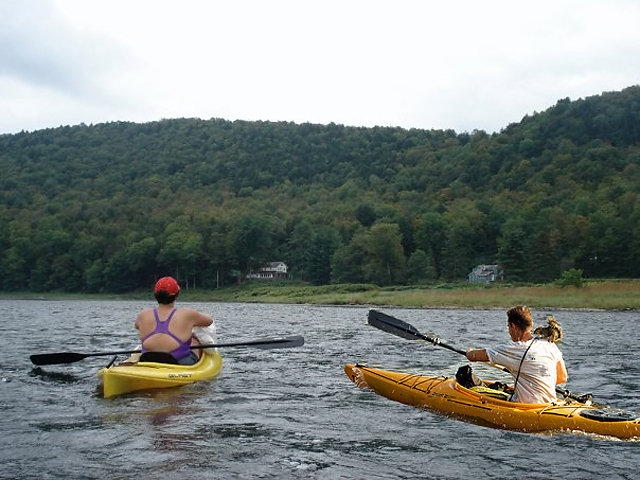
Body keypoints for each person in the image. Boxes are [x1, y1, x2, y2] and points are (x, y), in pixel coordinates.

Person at [465, 305, 567, 404]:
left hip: (524, 407)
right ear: (531, 326)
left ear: (513, 326)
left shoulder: (512, 348)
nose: (509, 331)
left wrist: (469, 352)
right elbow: (562, 377)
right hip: (549, 404)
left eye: (508, 327)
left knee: (464, 377)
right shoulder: (549, 344)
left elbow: (472, 356)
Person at [129, 276, 214, 365]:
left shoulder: (143, 314)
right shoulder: (187, 314)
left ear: (155, 295)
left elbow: (137, 326)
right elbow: (209, 321)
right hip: (178, 362)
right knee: (194, 340)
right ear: (176, 295)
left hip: (147, 360)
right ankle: (197, 365)